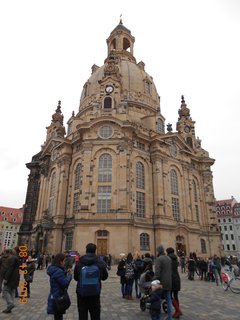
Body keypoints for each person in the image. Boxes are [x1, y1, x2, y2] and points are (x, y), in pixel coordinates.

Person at [74, 243, 108, 320]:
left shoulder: (80, 262)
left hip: (81, 293)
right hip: (95, 292)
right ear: (95, 250)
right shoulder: (100, 262)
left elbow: (76, 278)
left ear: (86, 250)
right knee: (95, 315)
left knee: (82, 315)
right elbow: (105, 277)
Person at [47, 253, 72, 320]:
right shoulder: (58, 271)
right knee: (58, 316)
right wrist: (70, 275)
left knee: (57, 316)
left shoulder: (54, 269)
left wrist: (65, 272)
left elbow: (59, 277)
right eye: (64, 261)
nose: (64, 262)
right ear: (60, 261)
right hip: (58, 296)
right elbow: (64, 283)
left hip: (54, 294)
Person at [153, 245, 172, 320]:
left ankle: (159, 318)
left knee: (158, 301)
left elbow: (157, 273)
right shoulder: (168, 258)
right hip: (169, 282)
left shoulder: (159, 259)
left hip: (161, 283)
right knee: (168, 300)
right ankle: (169, 317)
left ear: (158, 251)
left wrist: (153, 280)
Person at [2, 248, 20, 313]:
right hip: (16, 276)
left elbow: (10, 268)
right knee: (12, 291)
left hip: (11, 277)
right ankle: (9, 307)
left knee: (5, 290)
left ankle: (10, 304)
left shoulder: (13, 258)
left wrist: (6, 278)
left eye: (14, 249)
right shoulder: (18, 258)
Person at [166, 247, 182, 319]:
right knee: (176, 296)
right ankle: (177, 311)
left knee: (169, 295)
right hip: (177, 278)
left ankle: (178, 310)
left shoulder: (168, 259)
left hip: (171, 279)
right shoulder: (176, 258)